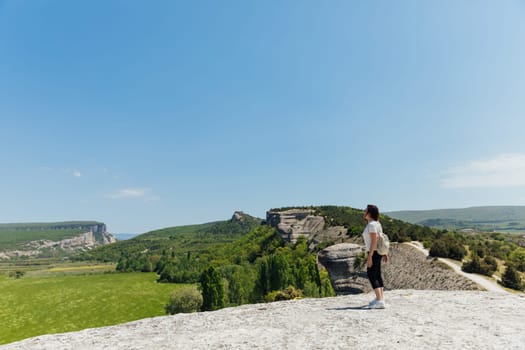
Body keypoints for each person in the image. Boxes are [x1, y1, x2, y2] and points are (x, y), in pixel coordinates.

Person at [362, 204, 388, 309]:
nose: (364, 212)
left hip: (373, 252)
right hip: (378, 252)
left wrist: (370, 256)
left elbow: (374, 240)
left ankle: (380, 300)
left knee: (371, 274)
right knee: (377, 274)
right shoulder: (377, 224)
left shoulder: (371, 225)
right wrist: (385, 252)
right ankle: (380, 298)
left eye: (365, 211)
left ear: (369, 213)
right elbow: (382, 239)